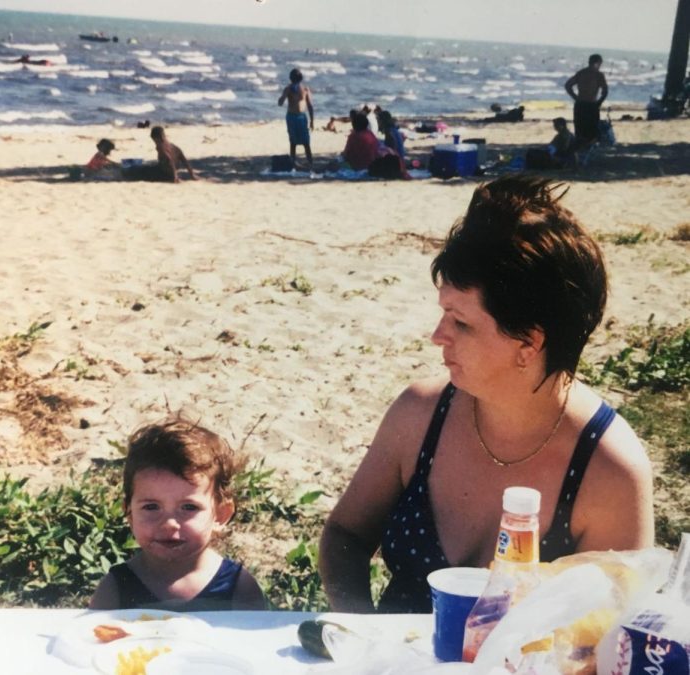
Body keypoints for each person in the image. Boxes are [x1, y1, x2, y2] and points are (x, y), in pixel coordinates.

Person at [319, 175, 654, 614]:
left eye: (460, 322)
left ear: (528, 343)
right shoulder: (421, 414)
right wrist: (358, 634)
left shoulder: (607, 471)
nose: (438, 336)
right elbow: (346, 535)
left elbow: (612, 634)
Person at [89, 418, 267, 610]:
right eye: (151, 507)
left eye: (189, 507)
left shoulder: (238, 587)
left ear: (221, 514)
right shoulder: (116, 588)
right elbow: (92, 637)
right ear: (129, 513)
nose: (169, 524)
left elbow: (255, 638)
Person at [124, 126, 196, 183]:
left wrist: (175, 177)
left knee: (139, 168)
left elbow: (169, 160)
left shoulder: (160, 147)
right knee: (148, 164)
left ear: (157, 138)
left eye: (154, 140)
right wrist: (192, 175)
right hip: (166, 172)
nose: (155, 143)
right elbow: (185, 161)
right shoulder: (174, 146)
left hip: (163, 174)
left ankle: (124, 167)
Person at [565, 54, 608, 149]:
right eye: (600, 64)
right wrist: (599, 102)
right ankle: (588, 147)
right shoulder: (598, 75)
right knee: (591, 130)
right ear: (597, 63)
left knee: (580, 129)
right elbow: (605, 91)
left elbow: (568, 85)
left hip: (581, 104)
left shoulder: (581, 73)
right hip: (591, 104)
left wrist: (575, 97)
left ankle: (581, 147)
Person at [278, 68, 314, 170]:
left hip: (300, 117)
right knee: (294, 141)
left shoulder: (305, 89)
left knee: (305, 141)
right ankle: (294, 163)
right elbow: (280, 103)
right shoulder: (289, 89)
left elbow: (310, 105)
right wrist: (286, 93)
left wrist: (312, 121)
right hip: (293, 117)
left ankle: (309, 163)